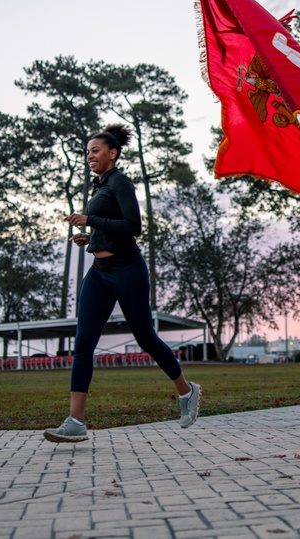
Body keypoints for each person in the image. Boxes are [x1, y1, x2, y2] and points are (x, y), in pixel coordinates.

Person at [43, 124, 202, 443]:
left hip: (127, 269)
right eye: (87, 151)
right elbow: (110, 226)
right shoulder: (99, 187)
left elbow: (133, 226)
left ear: (112, 154)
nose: (89, 155)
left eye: (96, 150)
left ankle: (186, 392)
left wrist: (91, 221)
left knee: (145, 337)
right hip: (99, 272)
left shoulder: (120, 182)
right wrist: (91, 238)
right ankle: (75, 421)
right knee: (84, 342)